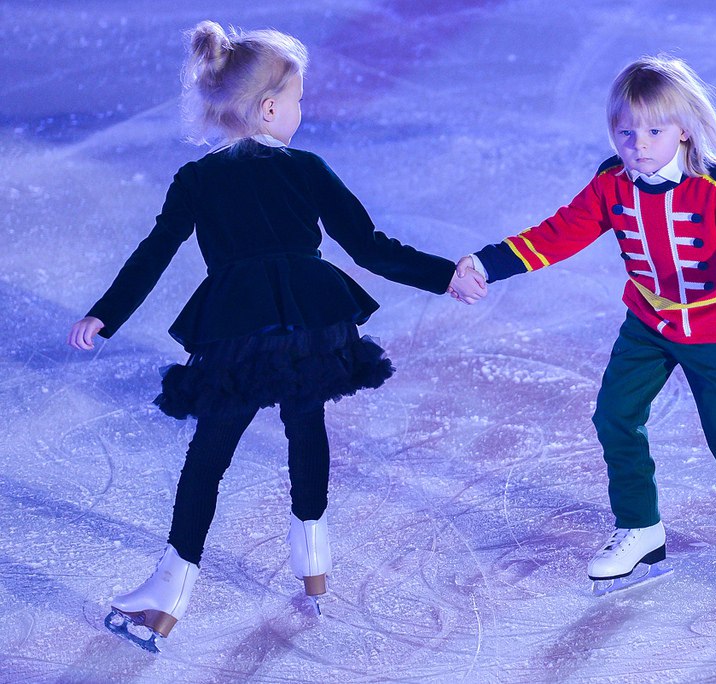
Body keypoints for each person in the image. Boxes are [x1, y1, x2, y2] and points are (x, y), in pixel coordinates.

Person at [67, 20, 486, 651]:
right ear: (269, 108)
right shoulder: (306, 167)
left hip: (236, 326)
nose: (300, 111)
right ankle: (313, 567)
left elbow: (153, 254)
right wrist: (443, 276)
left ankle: (169, 592)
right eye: (297, 101)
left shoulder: (197, 178)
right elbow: (369, 248)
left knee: (210, 455)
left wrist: (106, 314)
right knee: (305, 423)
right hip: (307, 319)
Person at [456, 55, 716, 605]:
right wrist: (486, 263)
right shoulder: (611, 184)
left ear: (684, 131)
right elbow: (559, 233)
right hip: (648, 322)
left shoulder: (714, 187)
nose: (639, 144)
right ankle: (641, 528)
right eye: (626, 132)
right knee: (615, 415)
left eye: (654, 131)